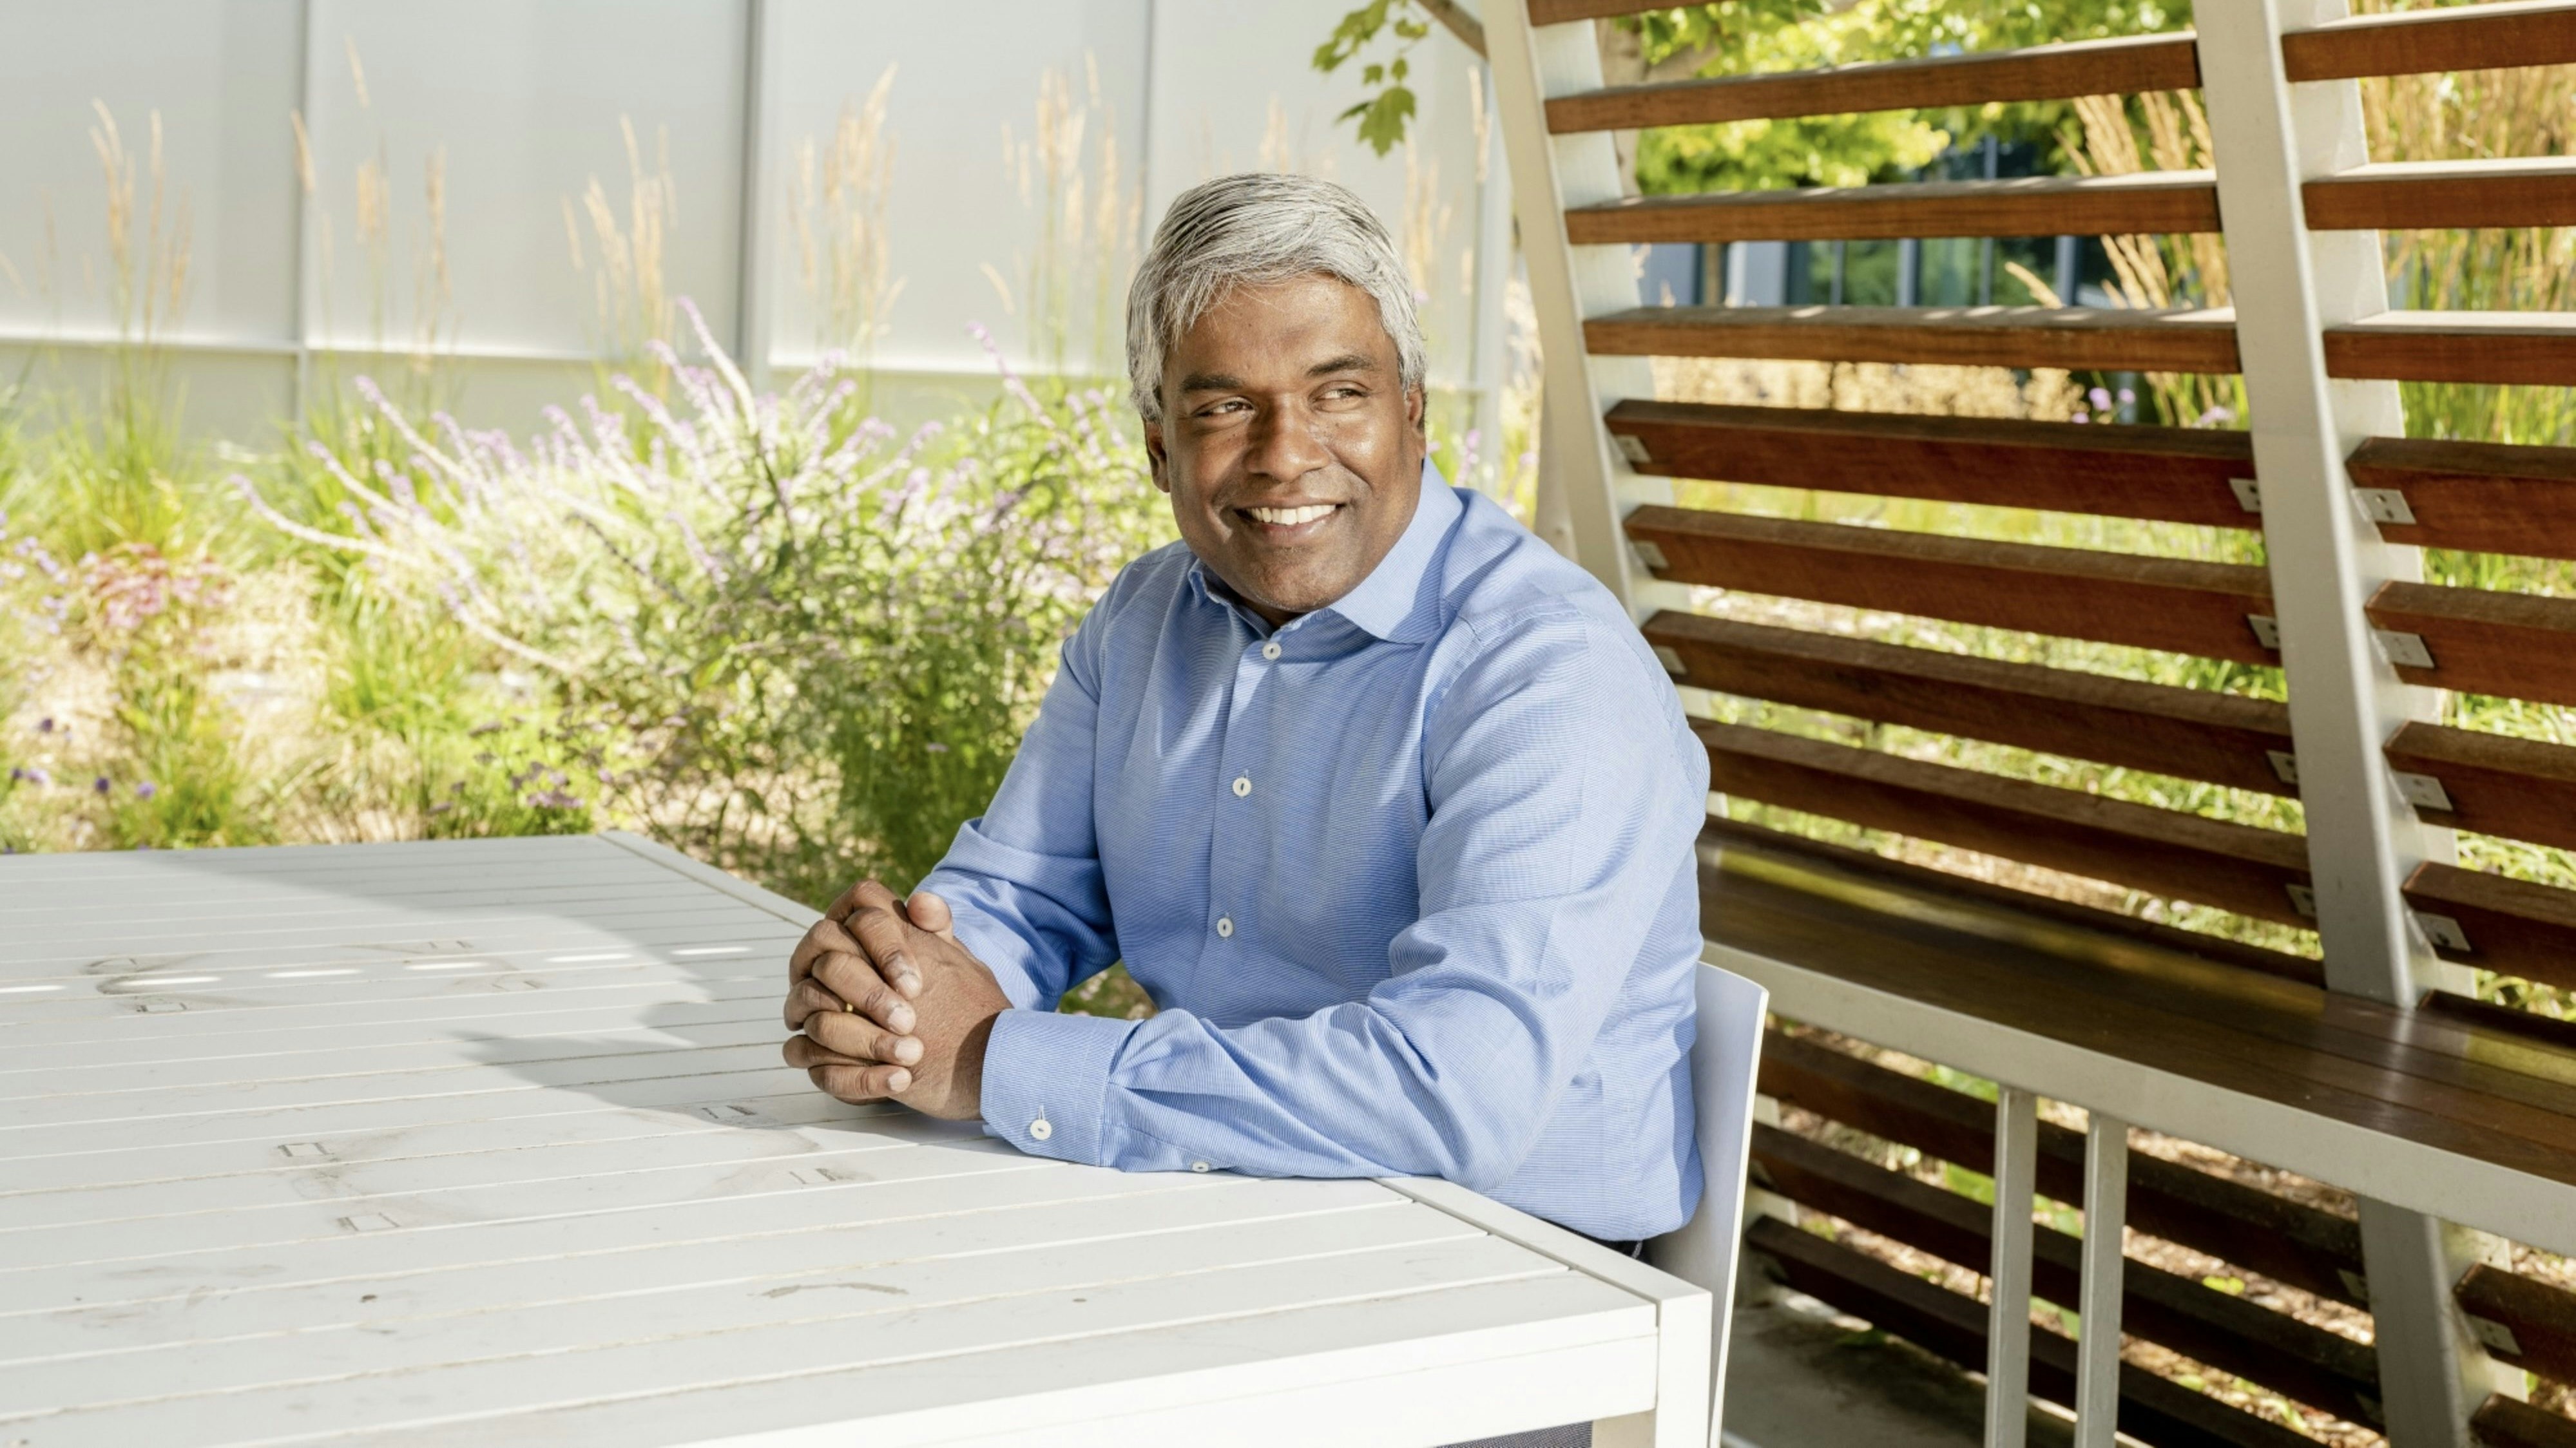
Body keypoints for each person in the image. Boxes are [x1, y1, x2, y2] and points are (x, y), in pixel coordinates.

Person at [782, 172, 1709, 1448]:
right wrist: (894, 998)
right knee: (837, 1347)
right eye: (1225, 406)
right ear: (1158, 441)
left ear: (1416, 413)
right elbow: (1022, 892)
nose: (1285, 455)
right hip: (1236, 1211)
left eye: (1339, 391)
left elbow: (1456, 1093)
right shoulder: (1146, 616)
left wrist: (991, 1058)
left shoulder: (1545, 671)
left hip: (1508, 1290)